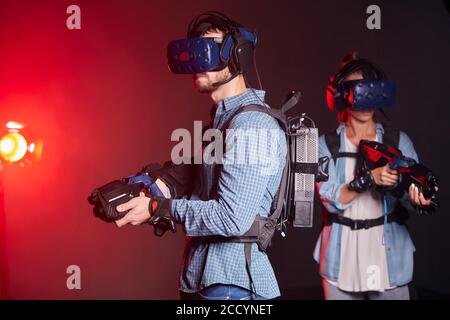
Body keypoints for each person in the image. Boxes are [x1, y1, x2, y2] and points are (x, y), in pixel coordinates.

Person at [111, 12, 286, 300]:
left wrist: (158, 208)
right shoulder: (223, 122)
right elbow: (193, 182)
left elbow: (232, 219)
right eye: (195, 51)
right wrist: (143, 190)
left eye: (209, 48)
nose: (198, 61)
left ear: (237, 55)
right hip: (208, 279)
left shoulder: (251, 125)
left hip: (234, 287)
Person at [313, 51, 435, 300]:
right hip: (341, 257)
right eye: (358, 90)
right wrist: (369, 180)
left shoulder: (398, 141)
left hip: (389, 258)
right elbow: (329, 198)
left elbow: (412, 194)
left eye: (372, 89)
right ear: (340, 94)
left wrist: (418, 196)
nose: (366, 98)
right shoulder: (326, 145)